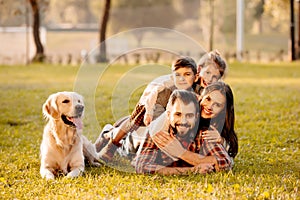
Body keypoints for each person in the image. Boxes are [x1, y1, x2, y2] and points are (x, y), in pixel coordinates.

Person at [96, 56, 199, 161]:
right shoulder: (165, 85)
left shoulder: (195, 89)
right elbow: (152, 96)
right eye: (178, 75)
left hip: (168, 106)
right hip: (152, 101)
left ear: (195, 77)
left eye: (187, 74)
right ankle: (111, 144)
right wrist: (148, 113)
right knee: (135, 122)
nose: (182, 79)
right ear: (173, 76)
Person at [136, 82, 237, 174]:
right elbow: (142, 167)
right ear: (201, 96)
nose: (209, 106)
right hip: (138, 136)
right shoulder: (162, 126)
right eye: (208, 99)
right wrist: (192, 170)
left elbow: (224, 163)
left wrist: (181, 153)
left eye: (217, 105)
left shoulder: (208, 131)